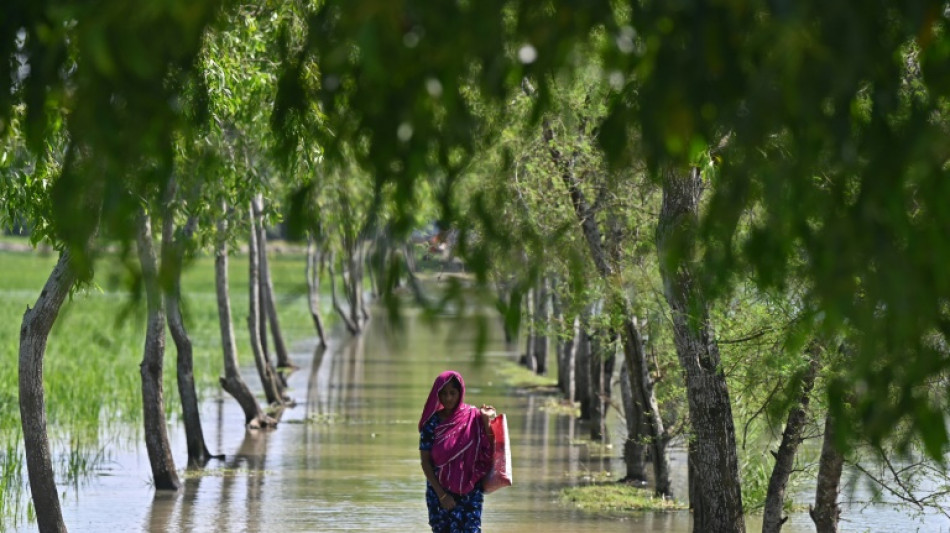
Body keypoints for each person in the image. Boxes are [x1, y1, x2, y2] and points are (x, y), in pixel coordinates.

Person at [419, 370, 497, 533]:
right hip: (439, 493)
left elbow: (489, 449)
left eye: (452, 393)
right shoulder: (431, 425)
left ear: (460, 393)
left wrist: (486, 421)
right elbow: (426, 462)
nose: (448, 398)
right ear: (437, 395)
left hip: (470, 492)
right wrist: (442, 495)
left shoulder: (473, 417)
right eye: (444, 394)